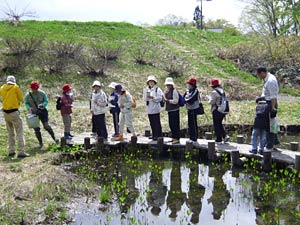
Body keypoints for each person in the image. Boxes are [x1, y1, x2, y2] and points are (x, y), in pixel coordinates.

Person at [25, 81, 58, 147]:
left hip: (43, 111)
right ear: (31, 88)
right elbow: (26, 103)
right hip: (34, 113)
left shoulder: (42, 93)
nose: (35, 90)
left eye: (36, 88)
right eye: (33, 88)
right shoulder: (28, 95)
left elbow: (46, 100)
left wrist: (43, 105)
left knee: (46, 125)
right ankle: (40, 143)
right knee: (36, 128)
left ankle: (55, 138)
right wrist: (29, 108)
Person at [0, 75, 27, 158]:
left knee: (10, 133)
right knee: (19, 132)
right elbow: (21, 98)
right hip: (14, 112)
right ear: (14, 81)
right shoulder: (15, 87)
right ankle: (21, 152)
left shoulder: (2, 88)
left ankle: (11, 151)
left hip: (5, 113)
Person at [256, 66, 279, 151]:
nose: (258, 77)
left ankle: (269, 146)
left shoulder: (270, 81)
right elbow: (267, 93)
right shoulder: (267, 79)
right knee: (272, 124)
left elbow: (273, 97)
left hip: (271, 104)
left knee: (269, 126)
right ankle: (275, 142)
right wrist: (261, 98)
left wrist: (273, 108)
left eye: (258, 75)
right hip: (268, 102)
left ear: (262, 73)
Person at [207, 78, 229, 144]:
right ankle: (224, 136)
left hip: (216, 110)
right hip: (223, 110)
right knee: (219, 123)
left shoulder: (214, 92)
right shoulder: (222, 91)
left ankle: (218, 139)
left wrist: (208, 99)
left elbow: (212, 102)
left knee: (216, 124)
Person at [143, 75, 163, 141]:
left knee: (157, 122)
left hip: (156, 108)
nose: (151, 83)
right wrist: (147, 98)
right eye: (149, 82)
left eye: (152, 82)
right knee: (151, 122)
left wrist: (153, 98)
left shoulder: (158, 89)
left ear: (154, 82)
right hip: (149, 108)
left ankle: (158, 135)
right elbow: (144, 98)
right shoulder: (146, 89)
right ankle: (154, 134)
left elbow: (160, 98)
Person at [164, 77, 180, 144]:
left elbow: (176, 101)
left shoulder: (174, 91)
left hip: (175, 110)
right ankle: (173, 137)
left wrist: (168, 101)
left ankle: (177, 138)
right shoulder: (166, 91)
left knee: (175, 124)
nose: (168, 86)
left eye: (169, 84)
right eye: (167, 84)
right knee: (171, 124)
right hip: (170, 110)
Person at [184, 77, 200, 142]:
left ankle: (194, 137)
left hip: (194, 109)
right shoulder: (187, 91)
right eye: (188, 84)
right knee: (190, 123)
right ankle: (191, 137)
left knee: (193, 123)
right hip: (189, 108)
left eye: (190, 84)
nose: (189, 85)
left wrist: (185, 100)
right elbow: (183, 97)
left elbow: (192, 99)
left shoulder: (196, 91)